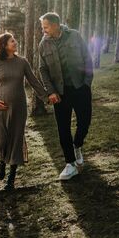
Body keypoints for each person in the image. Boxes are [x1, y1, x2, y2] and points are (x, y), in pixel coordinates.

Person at [0, 32, 51, 190]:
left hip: (19, 108)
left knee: (16, 140)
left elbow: (34, 81)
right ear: (4, 45)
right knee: (1, 140)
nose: (15, 43)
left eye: (14, 40)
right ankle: (2, 160)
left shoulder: (22, 62)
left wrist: (47, 97)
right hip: (0, 109)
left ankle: (11, 178)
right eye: (12, 41)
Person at [38, 12, 93, 181]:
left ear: (55, 25)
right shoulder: (43, 44)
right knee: (63, 128)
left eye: (45, 27)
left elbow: (87, 58)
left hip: (80, 88)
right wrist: (51, 91)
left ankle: (77, 145)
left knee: (85, 121)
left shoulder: (74, 36)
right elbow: (43, 70)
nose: (43, 30)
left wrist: (87, 83)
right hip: (59, 93)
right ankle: (70, 164)